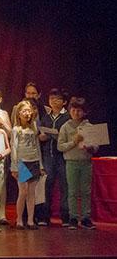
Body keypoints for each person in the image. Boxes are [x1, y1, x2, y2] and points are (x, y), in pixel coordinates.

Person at [57, 97, 98, 230]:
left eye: (79, 110)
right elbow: (60, 146)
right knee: (72, 191)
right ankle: (73, 217)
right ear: (69, 111)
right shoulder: (65, 126)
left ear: (84, 112)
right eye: (73, 110)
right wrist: (74, 142)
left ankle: (86, 217)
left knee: (86, 191)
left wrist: (90, 147)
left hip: (86, 162)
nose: (76, 113)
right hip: (71, 162)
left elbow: (96, 147)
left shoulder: (89, 127)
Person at [36, 88, 70, 226]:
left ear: (64, 102)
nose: (54, 102)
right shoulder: (46, 117)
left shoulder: (68, 117)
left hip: (63, 157)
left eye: (57, 99)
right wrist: (42, 137)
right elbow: (39, 135)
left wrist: (58, 137)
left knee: (65, 187)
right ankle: (45, 217)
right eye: (51, 99)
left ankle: (66, 217)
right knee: (46, 186)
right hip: (48, 156)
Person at [11, 101, 44, 230]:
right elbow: (14, 148)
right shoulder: (16, 129)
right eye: (24, 111)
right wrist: (14, 166)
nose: (27, 113)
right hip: (22, 163)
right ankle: (19, 219)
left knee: (32, 193)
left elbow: (37, 147)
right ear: (19, 113)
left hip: (34, 161)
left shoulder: (34, 127)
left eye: (29, 110)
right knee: (23, 192)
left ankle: (30, 220)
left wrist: (40, 165)